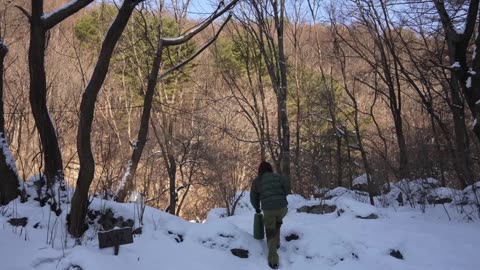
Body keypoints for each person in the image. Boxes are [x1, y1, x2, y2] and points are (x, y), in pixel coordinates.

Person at [250, 161, 290, 269]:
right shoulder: (279, 177)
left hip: (269, 210)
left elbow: (253, 198)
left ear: (260, 170)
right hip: (283, 208)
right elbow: (287, 189)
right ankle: (276, 243)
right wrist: (280, 197)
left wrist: (257, 208)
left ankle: (273, 260)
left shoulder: (257, 181)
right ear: (270, 168)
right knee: (277, 223)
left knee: (270, 233)